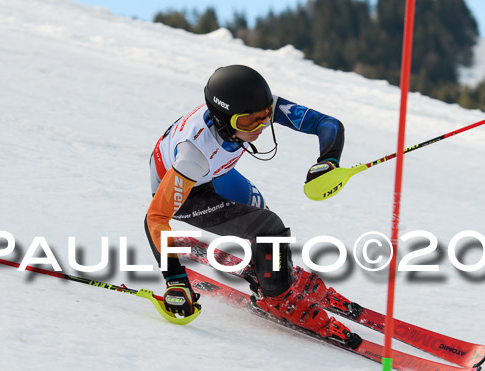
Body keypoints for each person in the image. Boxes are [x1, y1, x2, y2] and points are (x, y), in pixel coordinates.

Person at [144, 64, 361, 348]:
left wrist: (329, 160)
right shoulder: (193, 155)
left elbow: (328, 124)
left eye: (265, 116)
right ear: (224, 120)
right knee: (266, 226)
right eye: (248, 123)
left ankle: (277, 274)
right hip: (187, 189)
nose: (259, 127)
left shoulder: (252, 108)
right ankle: (278, 299)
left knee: (262, 214)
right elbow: (156, 217)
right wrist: (175, 280)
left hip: (215, 173)